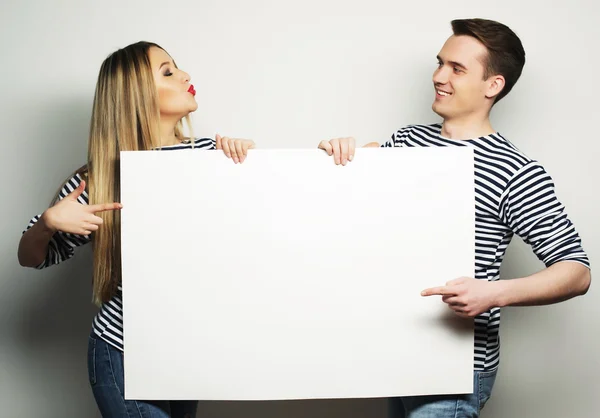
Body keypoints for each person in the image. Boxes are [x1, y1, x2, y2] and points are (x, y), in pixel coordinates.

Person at [318, 18, 591, 417]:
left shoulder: (516, 171)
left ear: (492, 85)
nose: (438, 76)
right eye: (440, 63)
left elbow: (577, 271)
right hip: (395, 352)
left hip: (455, 368)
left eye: (457, 69)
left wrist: (492, 293)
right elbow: (346, 198)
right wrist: (336, 152)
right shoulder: (407, 141)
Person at [17, 41, 255, 418]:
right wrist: (48, 223)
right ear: (134, 94)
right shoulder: (99, 180)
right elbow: (30, 258)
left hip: (186, 352)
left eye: (178, 67)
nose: (185, 75)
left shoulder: (213, 156)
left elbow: (256, 233)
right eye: (167, 71)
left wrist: (244, 161)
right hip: (122, 352)